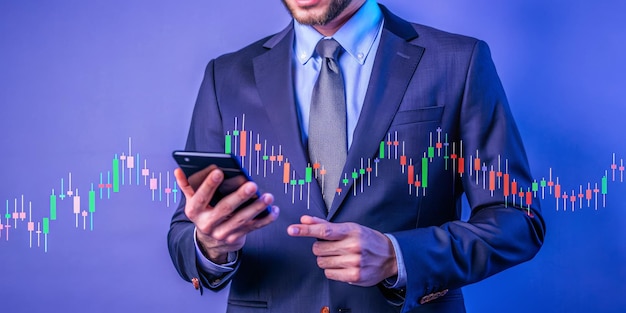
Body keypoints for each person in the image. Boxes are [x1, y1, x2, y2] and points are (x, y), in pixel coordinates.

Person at [168, 0, 546, 312]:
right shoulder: (226, 76)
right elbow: (185, 233)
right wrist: (211, 245)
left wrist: (397, 255)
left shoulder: (458, 62)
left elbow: (517, 221)